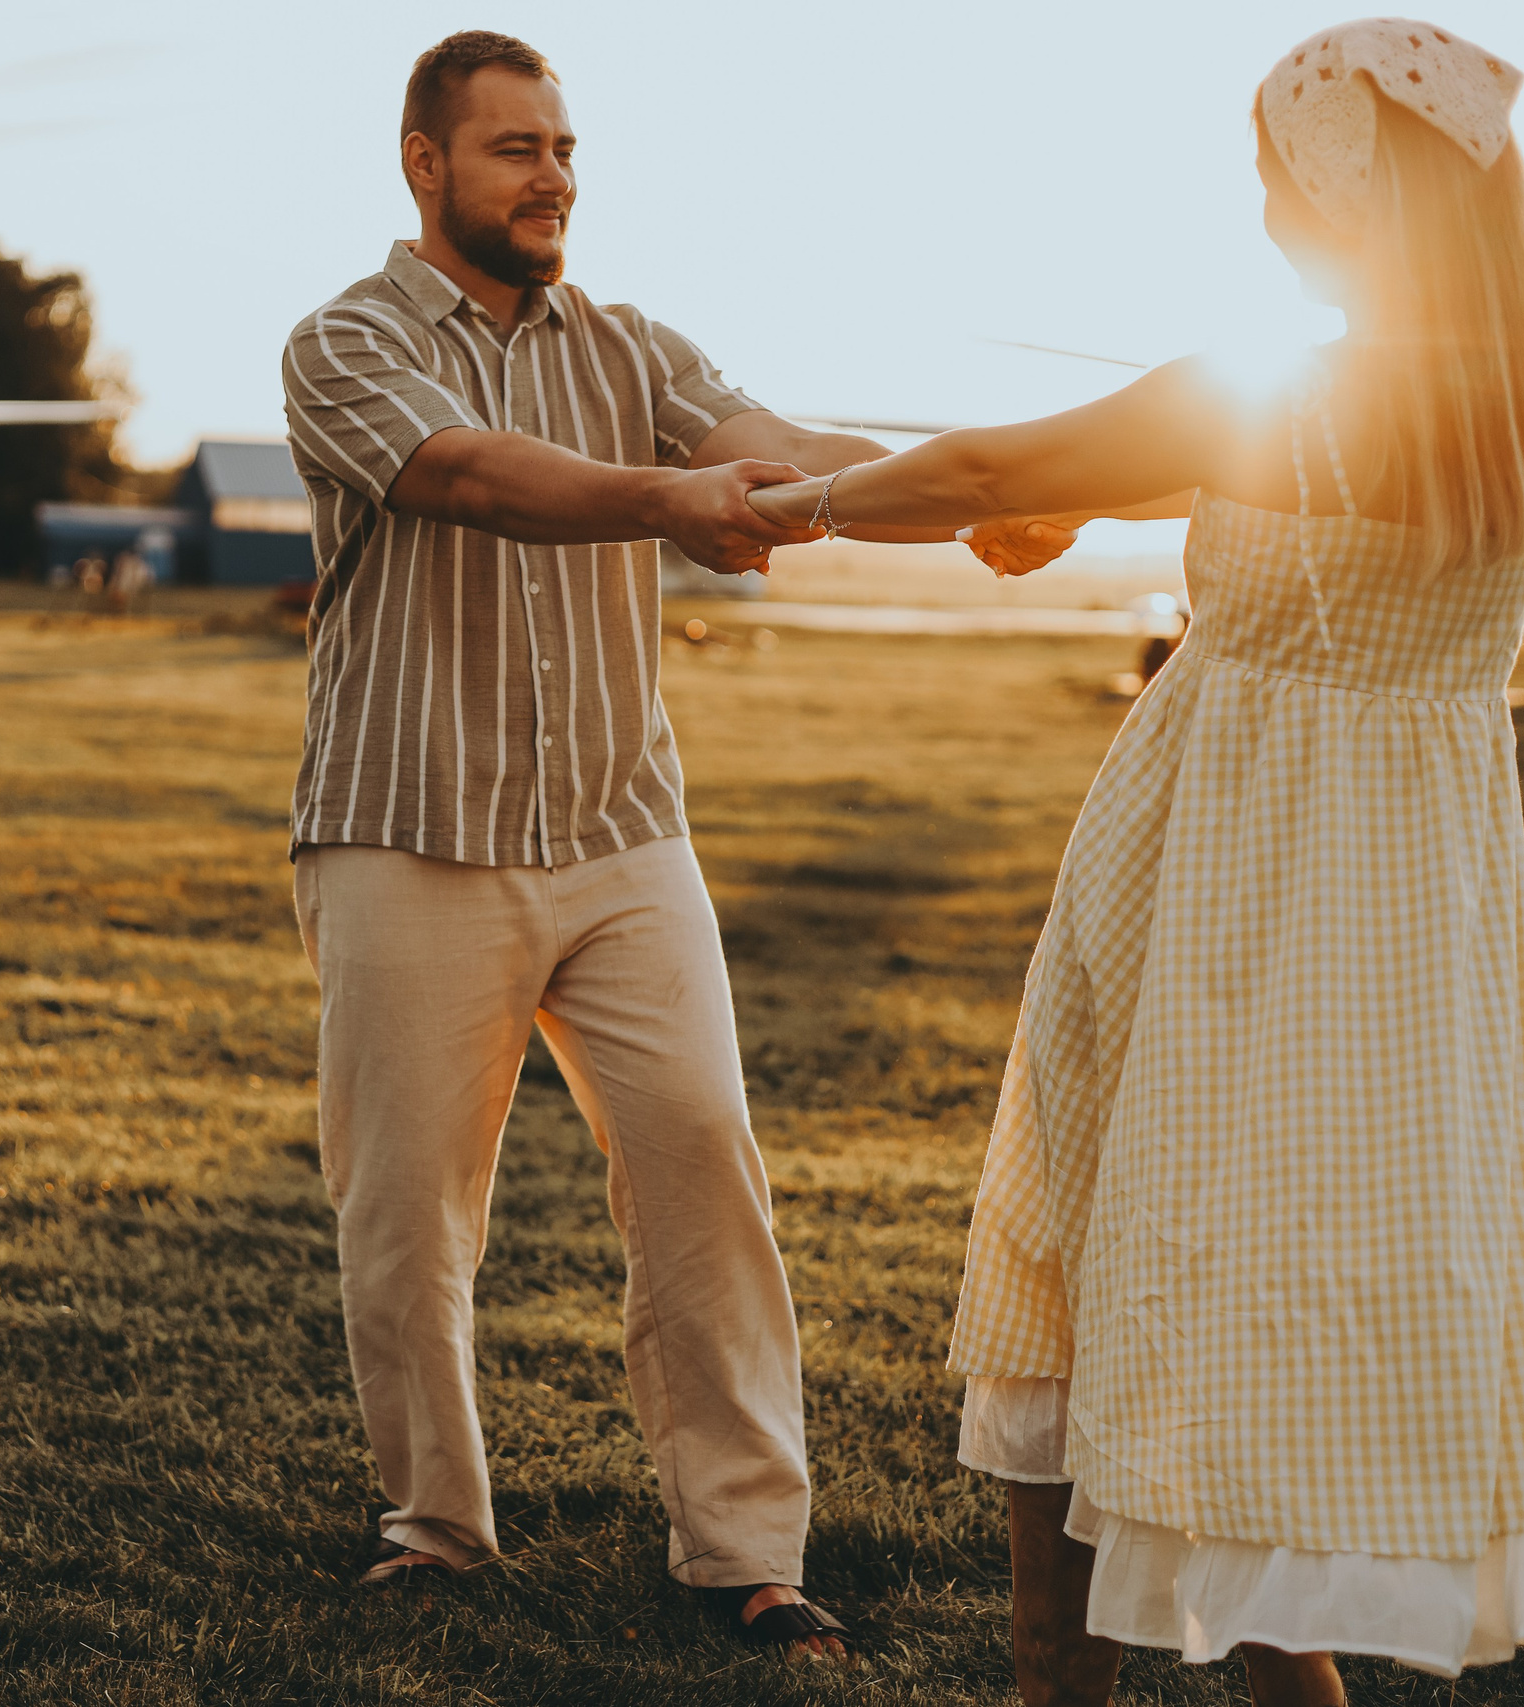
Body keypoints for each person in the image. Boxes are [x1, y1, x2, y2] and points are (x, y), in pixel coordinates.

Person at [754, 19, 1524, 1702]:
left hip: (1218, 871)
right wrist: (1106, 502)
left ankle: (1058, 1686)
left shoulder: (1282, 395)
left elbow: (990, 467)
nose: (1267, 215)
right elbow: (1318, 512)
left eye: (1278, 179)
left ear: (1347, 197)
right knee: (1252, 1304)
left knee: (1094, 1254)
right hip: (1401, 922)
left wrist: (796, 503)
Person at [279, 28, 1066, 1662]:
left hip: (626, 840)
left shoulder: (634, 344)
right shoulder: (344, 341)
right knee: (409, 1209)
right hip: (406, 832)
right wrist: (664, 502)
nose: (553, 176)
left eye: (565, 148)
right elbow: (473, 476)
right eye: (515, 149)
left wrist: (966, 496)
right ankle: (434, 1527)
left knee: (706, 1160)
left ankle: (743, 1553)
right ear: (425, 164)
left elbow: (774, 450)